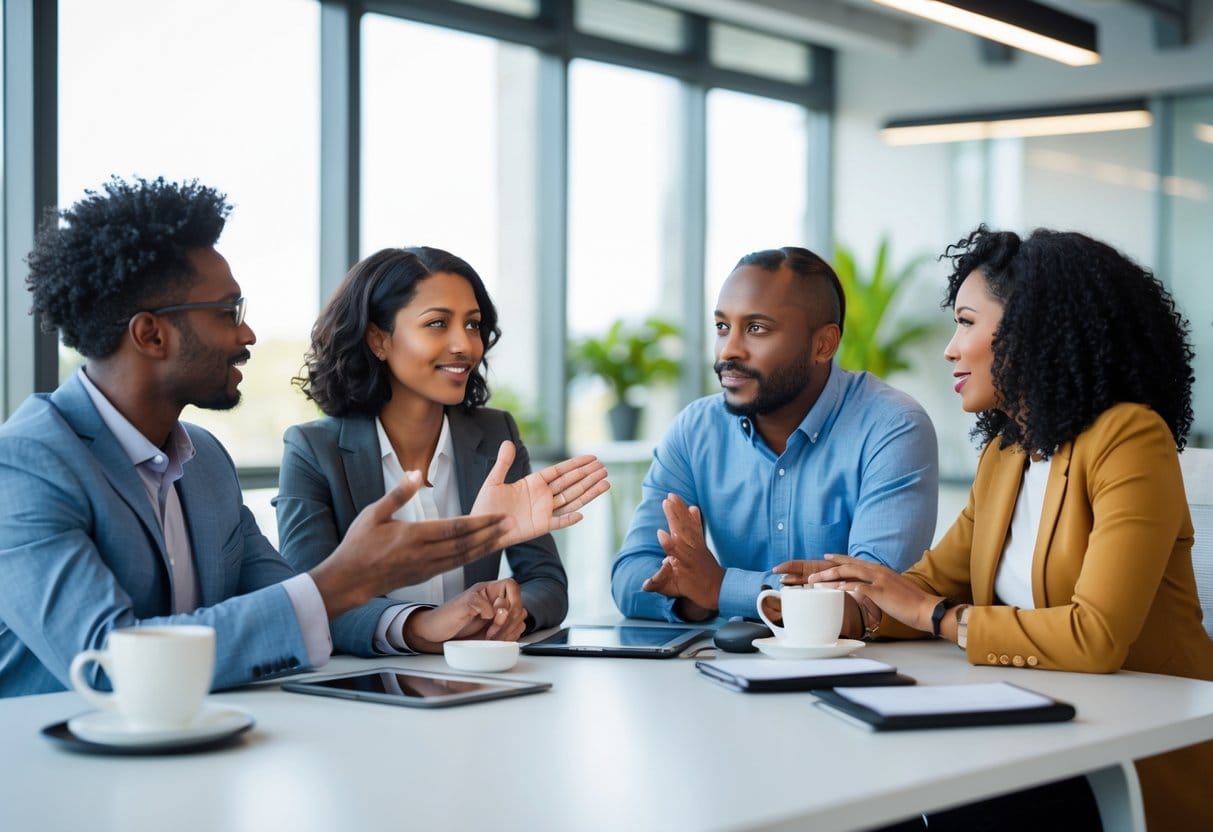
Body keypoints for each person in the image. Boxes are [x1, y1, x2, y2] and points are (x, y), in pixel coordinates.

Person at [0, 176, 517, 698]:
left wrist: (411, 621)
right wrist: (347, 575)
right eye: (229, 313)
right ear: (151, 334)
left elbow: (288, 599)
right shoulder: (24, 464)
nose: (247, 335)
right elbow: (108, 663)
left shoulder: (203, 462)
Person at [797, 226, 1213, 830]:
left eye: (967, 322)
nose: (950, 348)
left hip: (1131, 755)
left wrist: (937, 616)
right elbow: (928, 582)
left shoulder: (1129, 438)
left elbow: (1095, 637)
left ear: (1033, 328)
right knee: (861, 789)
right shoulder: (1008, 455)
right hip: (1033, 733)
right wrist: (841, 603)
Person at [275, 246, 609, 652]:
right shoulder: (312, 450)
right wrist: (422, 626)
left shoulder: (495, 435)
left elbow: (547, 584)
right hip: (361, 687)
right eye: (437, 324)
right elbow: (307, 600)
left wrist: (513, 610)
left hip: (479, 679)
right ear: (379, 339)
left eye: (472, 325)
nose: (465, 346)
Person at [610, 246, 939, 624]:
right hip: (721, 671)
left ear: (823, 345)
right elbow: (630, 576)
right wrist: (693, 599)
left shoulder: (893, 427)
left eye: (756, 329)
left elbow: (874, 600)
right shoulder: (695, 431)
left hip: (854, 673)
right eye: (722, 327)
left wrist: (719, 588)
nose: (729, 350)